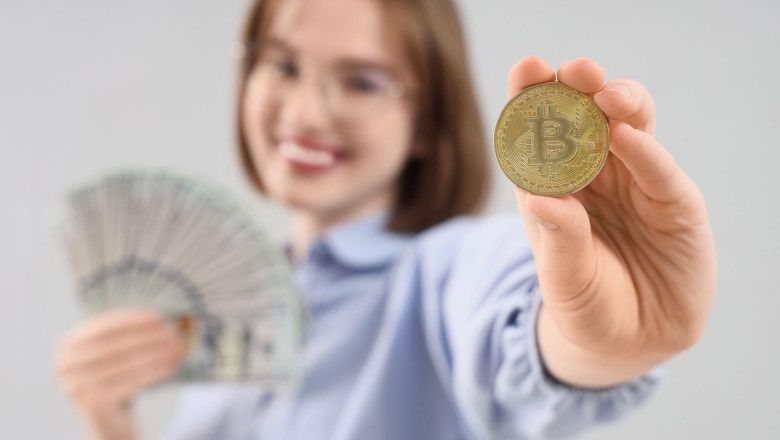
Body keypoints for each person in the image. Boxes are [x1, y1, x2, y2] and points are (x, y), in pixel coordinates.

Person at [53, 0, 716, 439]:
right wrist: (111, 423)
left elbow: (529, 330)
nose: (307, 112)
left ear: (427, 124)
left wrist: (596, 345)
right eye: (281, 64)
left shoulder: (452, 269)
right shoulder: (221, 327)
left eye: (363, 81)